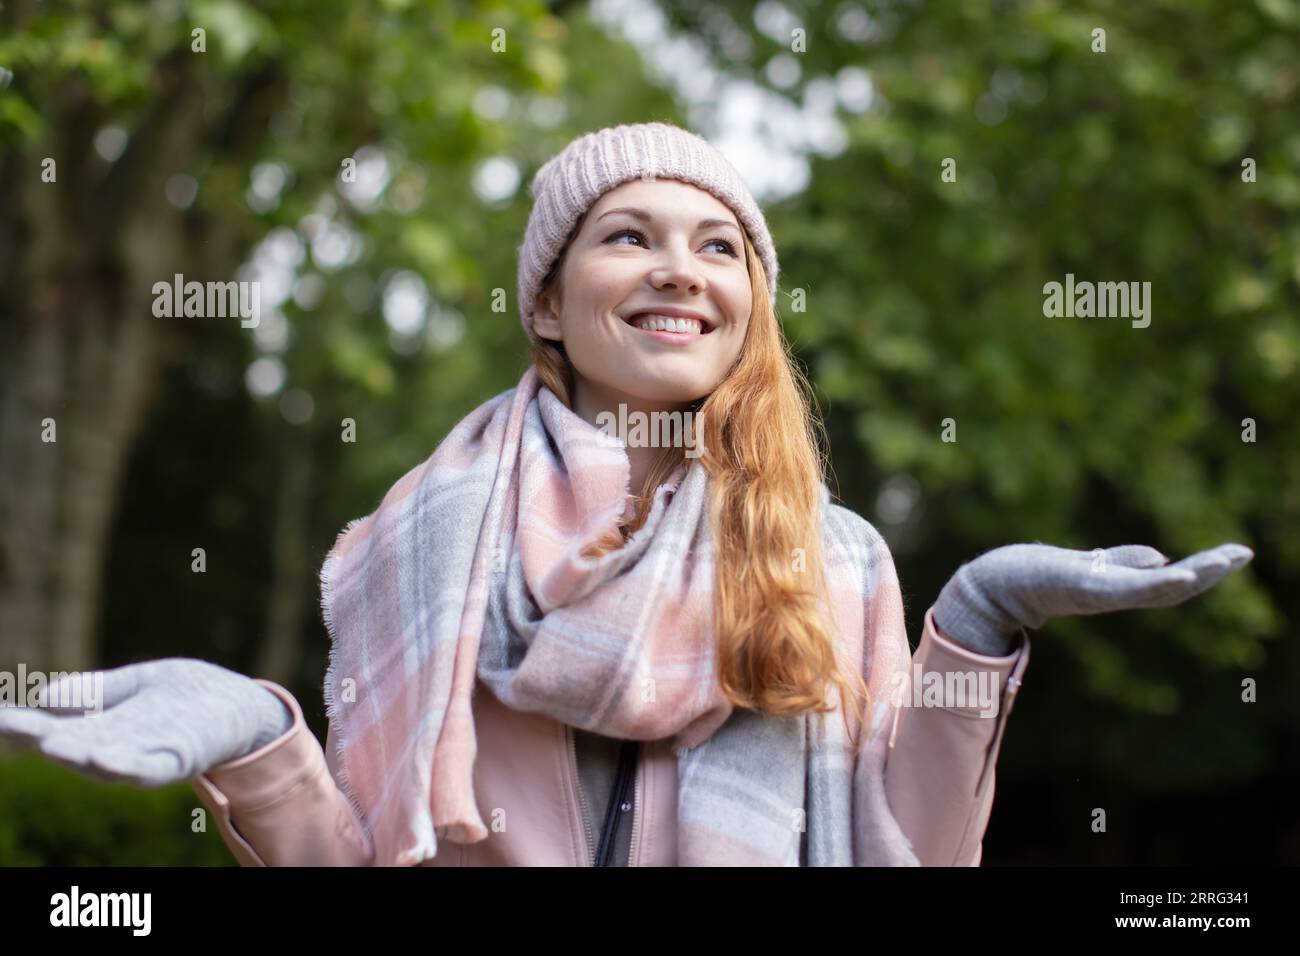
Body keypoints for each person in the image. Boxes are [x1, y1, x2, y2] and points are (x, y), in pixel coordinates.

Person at [0, 122, 1252, 867]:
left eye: (719, 248)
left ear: (749, 304)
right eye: (628, 235)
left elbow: (910, 846)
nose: (679, 270)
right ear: (547, 299)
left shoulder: (838, 556)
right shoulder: (421, 536)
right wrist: (262, 745)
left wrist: (975, 629)